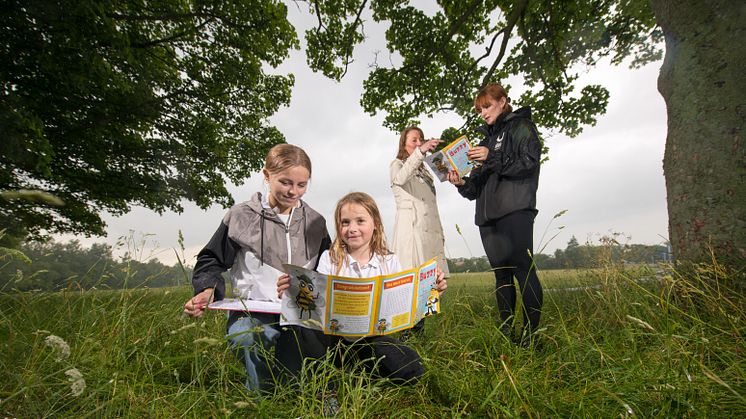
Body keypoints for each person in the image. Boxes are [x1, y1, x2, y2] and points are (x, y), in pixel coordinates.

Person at [183, 143, 330, 391]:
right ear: (266, 175)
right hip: (253, 311)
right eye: (285, 182)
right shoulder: (240, 216)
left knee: (294, 378)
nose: (293, 191)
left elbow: (328, 268)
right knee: (246, 338)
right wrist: (207, 290)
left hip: (301, 311)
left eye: (301, 185)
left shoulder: (316, 222)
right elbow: (211, 260)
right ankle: (261, 397)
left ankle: (294, 392)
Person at [277, 192, 447, 383]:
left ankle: (361, 374)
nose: (352, 229)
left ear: (375, 224)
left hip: (373, 339)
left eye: (360, 221)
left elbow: (406, 308)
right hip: (334, 341)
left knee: (412, 369)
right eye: (345, 222)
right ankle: (327, 383)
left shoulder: (389, 261)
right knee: (300, 333)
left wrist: (433, 292)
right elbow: (315, 303)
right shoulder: (329, 258)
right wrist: (291, 290)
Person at [447, 83, 544, 344]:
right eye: (480, 109)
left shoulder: (521, 126)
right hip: (488, 217)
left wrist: (492, 157)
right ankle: (507, 334)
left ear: (503, 101)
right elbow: (474, 189)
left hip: (515, 209)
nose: (483, 113)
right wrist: (461, 183)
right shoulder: (485, 140)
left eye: (487, 106)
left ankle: (532, 337)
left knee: (523, 270)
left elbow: (529, 162)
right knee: (501, 275)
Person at [390, 126, 450, 335]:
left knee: (429, 287)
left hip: (430, 234)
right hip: (412, 234)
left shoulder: (426, 170)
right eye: (414, 140)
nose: (418, 143)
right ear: (404, 144)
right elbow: (400, 179)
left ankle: (419, 335)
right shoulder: (397, 165)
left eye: (421, 140)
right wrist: (421, 151)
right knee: (410, 288)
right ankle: (405, 335)